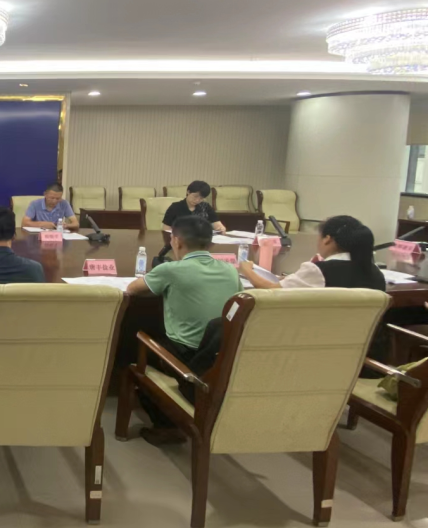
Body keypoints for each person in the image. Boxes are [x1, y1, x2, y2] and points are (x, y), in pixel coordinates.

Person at [126, 215, 241, 446]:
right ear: (211, 242)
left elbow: (132, 289)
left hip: (188, 358)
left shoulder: (171, 270)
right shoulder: (230, 270)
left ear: (176, 241)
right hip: (223, 355)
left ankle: (166, 426)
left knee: (135, 348)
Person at [240, 215, 385, 290]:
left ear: (327, 239)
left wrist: (247, 270)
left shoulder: (319, 270)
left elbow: (271, 290)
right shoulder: (375, 272)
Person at [161, 180, 226, 233]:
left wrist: (221, 228)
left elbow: (217, 224)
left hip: (202, 241)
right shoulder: (175, 207)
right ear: (188, 192)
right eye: (195, 196)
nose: (197, 200)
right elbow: (166, 230)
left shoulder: (206, 207)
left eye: (201, 198)